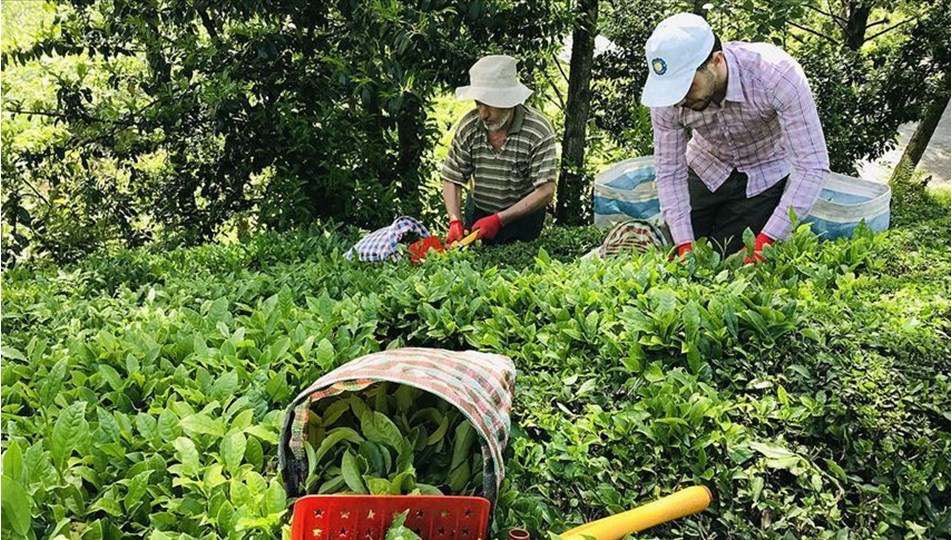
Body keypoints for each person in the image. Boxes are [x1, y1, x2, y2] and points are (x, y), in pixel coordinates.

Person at [641, 13, 830, 262]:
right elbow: (670, 172)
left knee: (731, 261)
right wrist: (684, 243)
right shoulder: (669, 99)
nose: (679, 100)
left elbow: (812, 166)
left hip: (764, 171)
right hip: (706, 164)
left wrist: (766, 243)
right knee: (669, 253)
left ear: (716, 60)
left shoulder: (777, 76)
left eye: (687, 87)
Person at [441, 55, 558, 245]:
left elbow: (545, 191)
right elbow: (453, 177)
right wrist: (454, 219)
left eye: (490, 105)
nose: (483, 114)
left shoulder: (537, 130)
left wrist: (500, 219)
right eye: (479, 103)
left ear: (508, 101)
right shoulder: (469, 127)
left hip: (523, 219)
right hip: (479, 214)